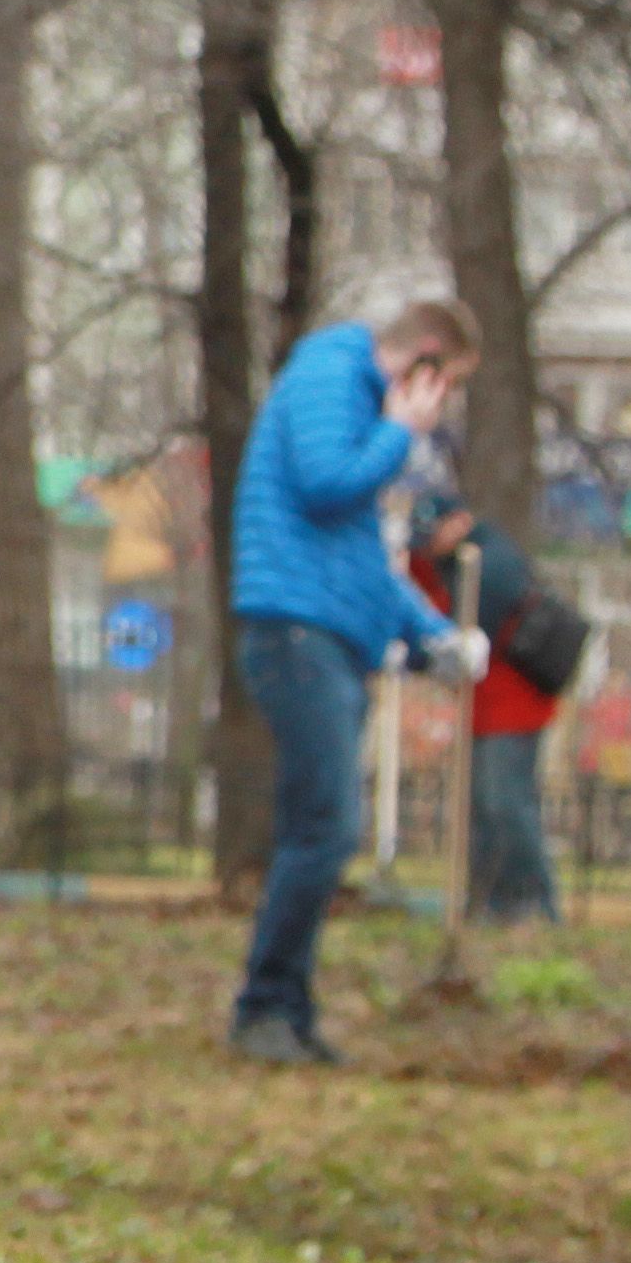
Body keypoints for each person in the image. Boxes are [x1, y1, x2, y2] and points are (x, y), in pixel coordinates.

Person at [226, 298, 490, 1064]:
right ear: (423, 366)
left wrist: (432, 635)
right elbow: (321, 483)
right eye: (447, 388)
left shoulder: (353, 405)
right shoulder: (328, 378)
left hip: (324, 634)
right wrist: (401, 432)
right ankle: (264, 1009)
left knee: (320, 827)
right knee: (328, 826)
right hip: (296, 632)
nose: (443, 409)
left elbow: (360, 560)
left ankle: (289, 1011)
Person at [413, 505, 565, 922]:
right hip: (489, 707)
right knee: (486, 807)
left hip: (513, 707)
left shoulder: (488, 562)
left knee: (506, 804)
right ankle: (492, 902)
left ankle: (533, 903)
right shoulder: (462, 560)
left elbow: (458, 623)